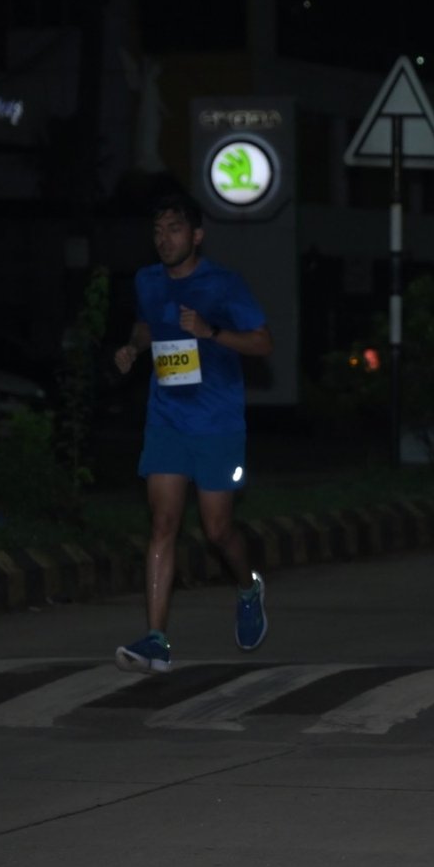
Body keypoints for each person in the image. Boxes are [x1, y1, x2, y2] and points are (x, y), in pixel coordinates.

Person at [112, 193, 273, 674]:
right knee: (163, 524)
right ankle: (156, 640)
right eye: (158, 230)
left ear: (197, 235)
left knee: (217, 529)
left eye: (175, 229)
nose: (164, 239)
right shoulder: (147, 280)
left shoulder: (224, 284)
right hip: (166, 418)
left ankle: (248, 587)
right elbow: (146, 325)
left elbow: (263, 342)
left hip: (217, 423)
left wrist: (211, 332)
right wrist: (133, 347)